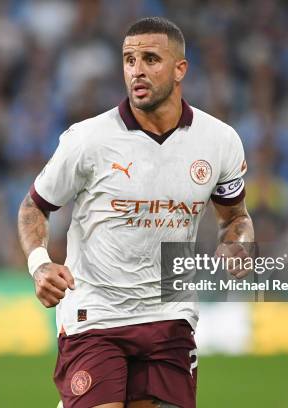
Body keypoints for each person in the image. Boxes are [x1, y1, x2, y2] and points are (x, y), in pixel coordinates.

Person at [18, 17, 254, 408]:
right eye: (129, 60)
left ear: (181, 69)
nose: (137, 70)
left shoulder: (219, 141)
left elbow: (236, 218)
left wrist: (238, 244)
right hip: (95, 313)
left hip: (171, 312)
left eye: (150, 59)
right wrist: (40, 263)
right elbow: (34, 207)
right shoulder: (88, 139)